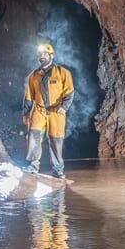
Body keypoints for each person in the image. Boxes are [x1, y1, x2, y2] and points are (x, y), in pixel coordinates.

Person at [21, 43, 75, 179]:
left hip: (56, 111)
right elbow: (28, 96)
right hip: (39, 110)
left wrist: (64, 107)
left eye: (45, 54)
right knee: (33, 136)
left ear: (52, 55)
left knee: (56, 140)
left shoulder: (62, 73)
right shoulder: (34, 75)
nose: (42, 56)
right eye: (40, 54)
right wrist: (26, 113)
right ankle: (33, 165)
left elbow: (69, 92)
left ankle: (57, 169)